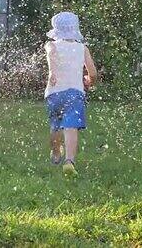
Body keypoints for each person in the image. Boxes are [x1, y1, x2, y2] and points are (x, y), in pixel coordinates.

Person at [44, 12, 97, 176]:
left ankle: (56, 152)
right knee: (71, 126)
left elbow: (51, 54)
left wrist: (52, 72)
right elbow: (93, 73)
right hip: (74, 93)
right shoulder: (82, 48)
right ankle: (69, 161)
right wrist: (90, 80)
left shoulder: (51, 45)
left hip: (54, 93)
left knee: (56, 126)